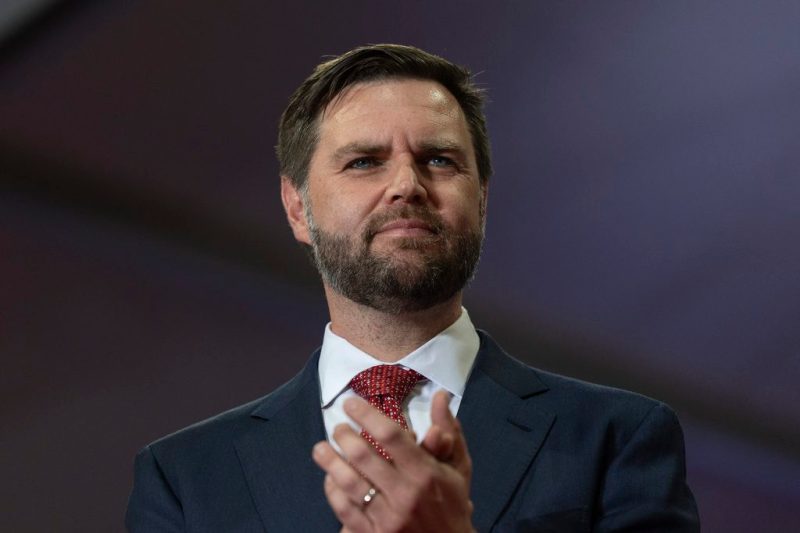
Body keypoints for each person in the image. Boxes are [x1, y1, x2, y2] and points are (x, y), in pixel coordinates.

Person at [125, 44, 700, 532]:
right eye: (364, 162)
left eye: (439, 159)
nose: (407, 185)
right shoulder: (185, 478)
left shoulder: (618, 439)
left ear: (482, 197)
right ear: (297, 207)